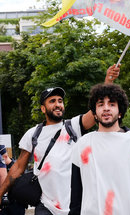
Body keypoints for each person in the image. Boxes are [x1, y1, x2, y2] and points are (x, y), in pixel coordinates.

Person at [0, 65, 120, 214]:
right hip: (46, 206)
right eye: (52, 101)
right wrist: (0, 194)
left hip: (75, 207)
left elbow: (95, 112)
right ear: (43, 108)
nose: (58, 104)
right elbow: (18, 167)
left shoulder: (73, 126)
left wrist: (108, 81)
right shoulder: (33, 134)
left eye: (60, 101)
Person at [69, 83, 130, 215]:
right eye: (100, 104)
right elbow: (76, 192)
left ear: (120, 112)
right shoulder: (82, 145)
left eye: (111, 104)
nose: (106, 108)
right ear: (94, 113)